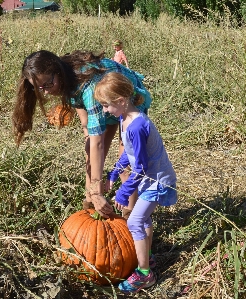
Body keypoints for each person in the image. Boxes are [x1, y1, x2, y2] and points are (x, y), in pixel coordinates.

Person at [12, 50, 152, 218]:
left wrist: (97, 188)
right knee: (90, 152)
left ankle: (130, 214)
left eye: (48, 85)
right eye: (40, 88)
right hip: (104, 105)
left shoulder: (88, 86)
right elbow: (85, 120)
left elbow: (98, 142)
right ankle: (90, 208)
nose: (46, 92)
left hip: (127, 102)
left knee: (125, 166)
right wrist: (92, 192)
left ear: (58, 72)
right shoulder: (67, 79)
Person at [94, 72, 178, 293]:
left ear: (121, 101)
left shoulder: (137, 126)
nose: (105, 111)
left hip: (156, 180)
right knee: (144, 219)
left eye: (106, 105)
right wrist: (115, 173)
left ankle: (144, 274)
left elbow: (140, 167)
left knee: (134, 222)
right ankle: (147, 258)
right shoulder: (125, 118)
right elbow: (129, 155)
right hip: (148, 178)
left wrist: (124, 191)